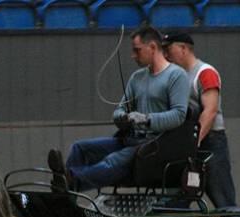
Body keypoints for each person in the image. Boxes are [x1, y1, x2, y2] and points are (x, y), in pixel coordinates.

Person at [48, 25, 190, 192]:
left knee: (114, 160)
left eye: (137, 50)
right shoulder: (137, 78)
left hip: (156, 145)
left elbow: (179, 115)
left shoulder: (176, 76)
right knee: (81, 148)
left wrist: (147, 119)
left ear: (152, 47)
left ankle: (69, 182)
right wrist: (122, 118)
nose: (133, 55)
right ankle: (67, 186)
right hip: (131, 139)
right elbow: (120, 109)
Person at [162, 32, 240, 217]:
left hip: (210, 144)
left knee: (224, 204)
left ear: (183, 48)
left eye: (169, 49)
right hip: (190, 145)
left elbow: (209, 112)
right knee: (173, 205)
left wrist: (194, 143)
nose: (165, 54)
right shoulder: (176, 77)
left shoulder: (205, 73)